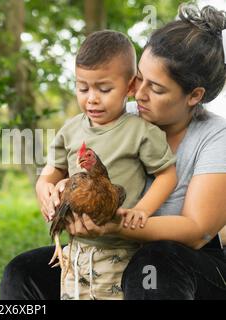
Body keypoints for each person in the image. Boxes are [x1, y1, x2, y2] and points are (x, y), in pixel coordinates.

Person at [0, 3, 226, 300]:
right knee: (24, 271)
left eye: (156, 89)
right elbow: (63, 166)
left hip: (183, 265)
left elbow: (196, 231)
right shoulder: (119, 116)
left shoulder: (215, 137)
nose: (139, 93)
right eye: (138, 79)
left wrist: (112, 225)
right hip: (111, 253)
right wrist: (47, 187)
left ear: (194, 96)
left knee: (153, 266)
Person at [40, 29, 177, 300]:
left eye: (104, 89)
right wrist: (43, 186)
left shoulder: (141, 131)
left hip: (120, 249)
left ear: (130, 87)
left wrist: (141, 210)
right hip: (75, 248)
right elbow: (51, 172)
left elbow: (167, 174)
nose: (92, 98)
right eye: (83, 88)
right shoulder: (70, 129)